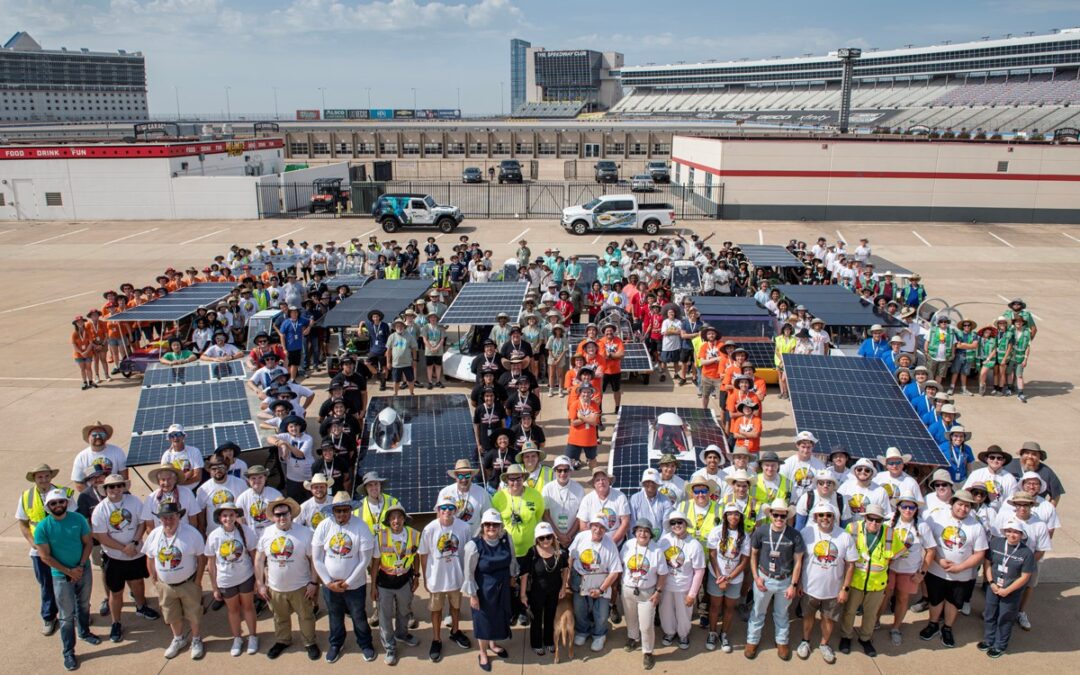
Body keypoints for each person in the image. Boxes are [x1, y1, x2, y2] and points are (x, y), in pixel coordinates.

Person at [33, 488, 97, 671]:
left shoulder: (78, 520)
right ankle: (68, 652)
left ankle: (84, 632)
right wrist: (69, 571)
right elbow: (45, 557)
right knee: (66, 616)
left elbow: (88, 542)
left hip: (82, 570)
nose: (58, 505)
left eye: (61, 502)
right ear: (48, 507)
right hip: (61, 576)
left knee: (84, 605)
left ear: (66, 503)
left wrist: (81, 565)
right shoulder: (43, 527)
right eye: (53, 503)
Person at [313, 492, 377, 663]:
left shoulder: (361, 526)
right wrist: (328, 582)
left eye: (345, 510)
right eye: (338, 510)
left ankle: (365, 644)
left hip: (355, 585)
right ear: (333, 510)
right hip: (330, 585)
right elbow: (317, 558)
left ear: (351, 510)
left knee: (358, 615)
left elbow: (365, 559)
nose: (342, 514)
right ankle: (336, 644)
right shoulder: (324, 526)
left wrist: (347, 582)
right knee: (334, 615)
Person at [90, 474, 155, 643]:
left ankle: (141, 607)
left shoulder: (134, 502)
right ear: (105, 490)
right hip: (114, 558)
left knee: (138, 582)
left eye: (119, 486)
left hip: (135, 553)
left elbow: (142, 523)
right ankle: (116, 622)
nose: (115, 490)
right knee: (116, 592)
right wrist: (123, 549)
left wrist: (134, 542)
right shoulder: (100, 510)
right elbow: (101, 536)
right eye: (111, 487)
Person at [921, 489, 988, 648]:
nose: (963, 508)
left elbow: (980, 553)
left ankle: (947, 628)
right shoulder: (937, 518)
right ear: (952, 503)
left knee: (953, 602)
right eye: (960, 504)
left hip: (962, 575)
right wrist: (938, 560)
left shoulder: (976, 526)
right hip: (936, 570)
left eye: (967, 506)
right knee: (935, 599)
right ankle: (933, 624)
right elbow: (928, 543)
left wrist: (960, 567)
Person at [256, 497, 321, 661]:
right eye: (277, 515)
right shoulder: (267, 533)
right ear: (273, 516)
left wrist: (314, 582)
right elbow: (259, 559)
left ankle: (309, 642)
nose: (282, 517)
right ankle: (282, 640)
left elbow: (314, 560)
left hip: (301, 586)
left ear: (291, 514)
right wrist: (260, 584)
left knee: (306, 616)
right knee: (280, 617)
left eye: (285, 513)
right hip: (275, 587)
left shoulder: (305, 533)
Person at [142, 502, 207, 660]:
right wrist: (154, 579)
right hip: (165, 586)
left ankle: (196, 639)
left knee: (194, 614)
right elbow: (150, 558)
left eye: (171, 517)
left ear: (179, 516)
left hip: (188, 583)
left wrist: (198, 580)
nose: (168, 521)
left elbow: (201, 558)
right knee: (171, 615)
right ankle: (178, 639)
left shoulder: (191, 533)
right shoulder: (155, 535)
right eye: (164, 518)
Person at [18, 463, 75, 636]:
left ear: (51, 477)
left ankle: (76, 614)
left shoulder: (65, 494)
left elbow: (74, 518)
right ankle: (49, 617)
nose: (43, 480)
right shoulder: (26, 496)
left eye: (46, 476)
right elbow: (23, 523)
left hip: (62, 549)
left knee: (70, 582)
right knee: (46, 585)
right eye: (39, 477)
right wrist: (33, 543)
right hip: (39, 552)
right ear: (35, 479)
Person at [796, 502, 857, 664]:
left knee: (828, 619)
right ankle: (805, 641)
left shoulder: (844, 536)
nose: (825, 518)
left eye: (829, 515)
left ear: (834, 517)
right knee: (808, 616)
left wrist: (845, 588)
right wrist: (799, 583)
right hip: (809, 587)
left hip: (833, 590)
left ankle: (824, 644)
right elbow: (799, 560)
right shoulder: (806, 532)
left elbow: (851, 565)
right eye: (821, 515)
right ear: (815, 517)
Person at [745, 498, 804, 661]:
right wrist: (756, 577)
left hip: (785, 581)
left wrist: (793, 584)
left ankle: (782, 641)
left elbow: (798, 561)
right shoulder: (761, 532)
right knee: (758, 612)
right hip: (763, 579)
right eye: (776, 515)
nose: (779, 519)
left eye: (782, 516)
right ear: (770, 515)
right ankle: (752, 640)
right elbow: (754, 555)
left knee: (781, 613)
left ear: (787, 516)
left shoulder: (794, 535)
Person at [419, 495, 473, 662]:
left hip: (456, 577)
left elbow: (468, 552)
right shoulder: (429, 529)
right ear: (438, 510)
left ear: (455, 511)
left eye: (450, 508)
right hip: (436, 578)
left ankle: (455, 631)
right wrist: (426, 577)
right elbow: (423, 554)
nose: (447, 512)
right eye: (443, 508)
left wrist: (467, 575)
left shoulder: (464, 527)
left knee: (455, 607)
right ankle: (436, 639)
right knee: (436, 610)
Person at [838, 503, 896, 657]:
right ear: (865, 517)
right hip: (856, 580)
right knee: (849, 611)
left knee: (871, 614)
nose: (874, 523)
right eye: (871, 519)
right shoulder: (852, 528)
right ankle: (846, 636)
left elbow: (894, 557)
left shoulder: (890, 533)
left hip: (877, 583)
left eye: (878, 520)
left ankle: (865, 638)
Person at [491, 463, 546, 626]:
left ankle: (523, 611)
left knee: (527, 583)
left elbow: (539, 515)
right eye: (511, 479)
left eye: (518, 478)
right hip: (508, 550)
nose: (514, 482)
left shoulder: (535, 496)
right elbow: (495, 524)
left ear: (523, 478)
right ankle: (512, 611)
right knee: (510, 583)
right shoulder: (498, 498)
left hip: (529, 549)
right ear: (506, 480)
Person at [462, 509, 517, 672]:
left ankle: (493, 644)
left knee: (498, 618)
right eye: (488, 524)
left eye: (495, 524)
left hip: (502, 588)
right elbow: (469, 574)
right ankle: (483, 652)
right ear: (482, 526)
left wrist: (513, 576)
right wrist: (473, 595)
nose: (491, 527)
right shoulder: (473, 546)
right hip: (483, 591)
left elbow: (512, 559)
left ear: (500, 526)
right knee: (483, 622)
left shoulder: (506, 539)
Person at [880, 492, 936, 646]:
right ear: (898, 507)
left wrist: (922, 573)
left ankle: (896, 628)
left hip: (909, 570)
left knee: (903, 598)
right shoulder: (889, 522)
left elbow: (931, 550)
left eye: (912, 507)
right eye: (904, 506)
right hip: (888, 568)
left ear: (916, 509)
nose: (908, 510)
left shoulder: (922, 526)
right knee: (884, 596)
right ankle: (875, 622)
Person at [205, 502, 260, 657]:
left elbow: (255, 555)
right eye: (224, 515)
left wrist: (258, 579)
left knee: (248, 607)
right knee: (233, 609)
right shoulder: (214, 536)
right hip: (226, 579)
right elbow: (211, 563)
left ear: (236, 516)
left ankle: (253, 636)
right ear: (219, 518)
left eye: (231, 515)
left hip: (245, 576)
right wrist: (214, 587)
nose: (228, 518)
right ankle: (237, 638)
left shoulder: (245, 531)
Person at [369, 504, 420, 665]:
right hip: (384, 582)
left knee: (404, 610)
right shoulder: (380, 536)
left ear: (404, 519)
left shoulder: (414, 534)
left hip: (405, 580)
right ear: (388, 521)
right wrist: (373, 586)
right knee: (384, 615)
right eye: (392, 518)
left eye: (399, 517)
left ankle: (402, 634)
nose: (396, 520)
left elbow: (416, 555)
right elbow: (375, 563)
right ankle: (390, 646)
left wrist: (417, 575)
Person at [979, 518, 1036, 658]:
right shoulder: (995, 543)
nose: (1012, 535)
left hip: (1011, 592)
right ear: (1004, 532)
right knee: (990, 614)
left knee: (1005, 618)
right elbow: (987, 563)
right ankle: (988, 639)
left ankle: (1000, 645)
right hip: (994, 587)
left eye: (1016, 532)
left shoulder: (1026, 553)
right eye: (1009, 531)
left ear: (1022, 535)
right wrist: (991, 582)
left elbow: (1025, 577)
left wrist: (1007, 590)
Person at [569, 513, 624, 652]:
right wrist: (568, 577)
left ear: (606, 529)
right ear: (590, 526)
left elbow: (615, 571)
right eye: (595, 526)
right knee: (579, 608)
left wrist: (601, 589)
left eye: (602, 527)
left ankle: (599, 635)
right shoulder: (581, 537)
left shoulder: (610, 544)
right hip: (581, 579)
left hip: (601, 582)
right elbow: (571, 557)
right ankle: (582, 631)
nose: (598, 530)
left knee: (601, 613)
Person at [621, 518, 668, 670]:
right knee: (630, 617)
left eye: (646, 531)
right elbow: (621, 565)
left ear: (650, 535)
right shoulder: (628, 545)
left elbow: (662, 574)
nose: (643, 533)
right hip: (628, 589)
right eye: (640, 530)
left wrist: (658, 591)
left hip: (647, 592)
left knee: (646, 625)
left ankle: (648, 652)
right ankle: (633, 637)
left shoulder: (657, 550)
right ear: (635, 532)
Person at [518, 521, 570, 657]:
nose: (545, 540)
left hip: (554, 591)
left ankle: (548, 641)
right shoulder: (533, 552)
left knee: (550, 616)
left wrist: (563, 588)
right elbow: (524, 575)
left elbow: (565, 569)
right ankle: (536, 643)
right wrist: (523, 595)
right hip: (537, 592)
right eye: (542, 538)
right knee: (536, 618)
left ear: (553, 537)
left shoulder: (560, 552)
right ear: (537, 539)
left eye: (548, 537)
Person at [705, 503, 751, 654]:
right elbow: (711, 554)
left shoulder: (744, 536)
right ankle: (712, 633)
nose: (733, 517)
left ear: (740, 517)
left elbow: (744, 561)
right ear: (725, 516)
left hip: (735, 578)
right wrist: (720, 577)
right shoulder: (716, 531)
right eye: (730, 513)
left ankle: (724, 634)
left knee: (729, 607)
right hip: (716, 575)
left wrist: (729, 578)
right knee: (715, 606)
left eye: (736, 514)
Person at [658, 510, 706, 651]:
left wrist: (692, 593)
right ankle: (669, 632)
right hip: (666, 586)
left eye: (680, 522)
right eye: (673, 523)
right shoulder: (664, 540)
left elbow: (699, 571)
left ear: (685, 524)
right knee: (665, 611)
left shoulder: (694, 544)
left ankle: (683, 634)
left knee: (684, 614)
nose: (676, 525)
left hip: (684, 587)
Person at [438, 459, 492, 538]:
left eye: (467, 476)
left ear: (471, 476)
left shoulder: (482, 493)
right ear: (455, 477)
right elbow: (439, 518)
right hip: (452, 541)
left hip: (474, 541)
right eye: (460, 476)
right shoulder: (445, 493)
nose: (464, 479)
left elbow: (488, 518)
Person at [196, 455, 248, 533]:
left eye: (221, 467)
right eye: (214, 469)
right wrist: (202, 529)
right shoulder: (203, 489)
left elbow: (247, 504)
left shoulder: (240, 483)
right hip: (214, 533)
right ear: (209, 471)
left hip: (238, 531)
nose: (217, 470)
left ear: (226, 468)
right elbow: (200, 511)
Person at [269, 415, 315, 502]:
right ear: (287, 428)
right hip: (292, 478)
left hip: (308, 476)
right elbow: (269, 438)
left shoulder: (308, 438)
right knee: (293, 502)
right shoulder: (286, 436)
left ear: (300, 426)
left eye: (296, 425)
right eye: (291, 426)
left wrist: (287, 445)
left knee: (310, 501)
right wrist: (281, 444)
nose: (294, 428)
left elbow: (300, 454)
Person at [72, 421, 128, 492]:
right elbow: (79, 484)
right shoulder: (81, 457)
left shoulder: (117, 451)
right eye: (94, 434)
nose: (98, 437)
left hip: (115, 492)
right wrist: (94, 496)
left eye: (101, 434)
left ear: (106, 436)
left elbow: (124, 477)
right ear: (88, 437)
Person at [542, 455, 584, 548]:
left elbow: (580, 516)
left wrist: (568, 536)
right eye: (559, 470)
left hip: (573, 537)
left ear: (570, 471)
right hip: (553, 537)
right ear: (554, 471)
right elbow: (546, 515)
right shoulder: (547, 489)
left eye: (566, 470)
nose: (563, 473)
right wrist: (558, 535)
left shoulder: (579, 489)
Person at [839, 458, 891, 522]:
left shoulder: (881, 491)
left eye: (867, 470)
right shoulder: (845, 486)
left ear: (872, 473)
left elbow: (886, 515)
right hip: (846, 527)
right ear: (855, 471)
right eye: (859, 469)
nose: (863, 472)